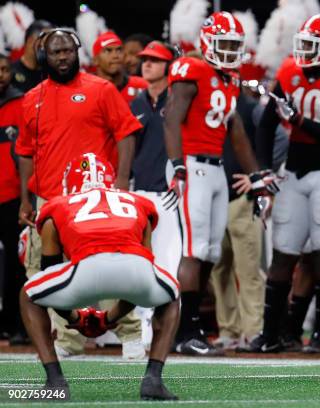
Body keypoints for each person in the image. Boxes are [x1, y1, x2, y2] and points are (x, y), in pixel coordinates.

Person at [240, 14, 320, 354]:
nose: (305, 51)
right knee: (283, 253)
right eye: (304, 43)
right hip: (294, 172)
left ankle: (318, 336)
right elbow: (267, 123)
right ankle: (271, 334)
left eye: (314, 44)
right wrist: (265, 169)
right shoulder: (288, 72)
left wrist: (299, 120)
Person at [15, 28, 144, 359]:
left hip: (93, 197)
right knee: (49, 272)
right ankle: (68, 339)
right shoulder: (32, 99)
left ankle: (130, 334)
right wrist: (26, 199)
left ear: (78, 53)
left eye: (67, 51)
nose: (62, 58)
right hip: (49, 199)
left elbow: (126, 133)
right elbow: (26, 151)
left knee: (112, 266)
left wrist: (123, 181)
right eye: (55, 53)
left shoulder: (100, 89)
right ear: (44, 56)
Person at [20, 153, 180, 400]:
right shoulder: (137, 203)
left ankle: (55, 382)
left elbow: (49, 278)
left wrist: (76, 318)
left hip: (86, 269)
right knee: (170, 295)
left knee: (29, 294)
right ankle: (153, 380)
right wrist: (107, 319)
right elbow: (141, 271)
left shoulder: (59, 204)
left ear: (69, 183)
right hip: (136, 269)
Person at [164, 11, 267, 355]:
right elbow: (172, 117)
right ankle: (183, 333)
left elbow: (235, 131)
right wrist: (177, 164)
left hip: (216, 169)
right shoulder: (191, 69)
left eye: (233, 45)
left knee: (209, 251)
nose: (227, 51)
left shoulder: (230, 78)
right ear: (207, 41)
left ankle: (192, 328)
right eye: (222, 43)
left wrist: (256, 174)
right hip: (191, 165)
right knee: (193, 251)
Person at [130, 41, 182, 346]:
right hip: (141, 192)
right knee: (140, 264)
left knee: (169, 262)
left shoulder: (178, 99)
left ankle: (168, 331)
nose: (146, 64)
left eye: (154, 60)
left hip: (170, 193)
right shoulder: (136, 102)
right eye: (144, 59)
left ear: (168, 66)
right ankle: (141, 330)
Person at [210, 89, 265, 350]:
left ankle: (253, 330)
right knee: (219, 269)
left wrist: (260, 178)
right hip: (211, 196)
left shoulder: (250, 106)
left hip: (241, 197)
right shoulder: (203, 104)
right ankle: (228, 329)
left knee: (248, 268)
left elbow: (275, 139)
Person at [0, 53, 28, 344]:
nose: (1, 74)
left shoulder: (21, 103)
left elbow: (26, 153)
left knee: (18, 266)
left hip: (11, 195)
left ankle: (18, 325)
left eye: (5, 69)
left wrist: (25, 197)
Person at [92, 32, 149, 104]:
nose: (115, 56)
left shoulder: (143, 86)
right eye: (108, 51)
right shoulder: (86, 91)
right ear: (95, 60)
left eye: (119, 50)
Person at [11, 20, 53, 93]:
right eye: (46, 42)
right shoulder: (10, 72)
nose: (49, 47)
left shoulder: (52, 73)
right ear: (31, 41)